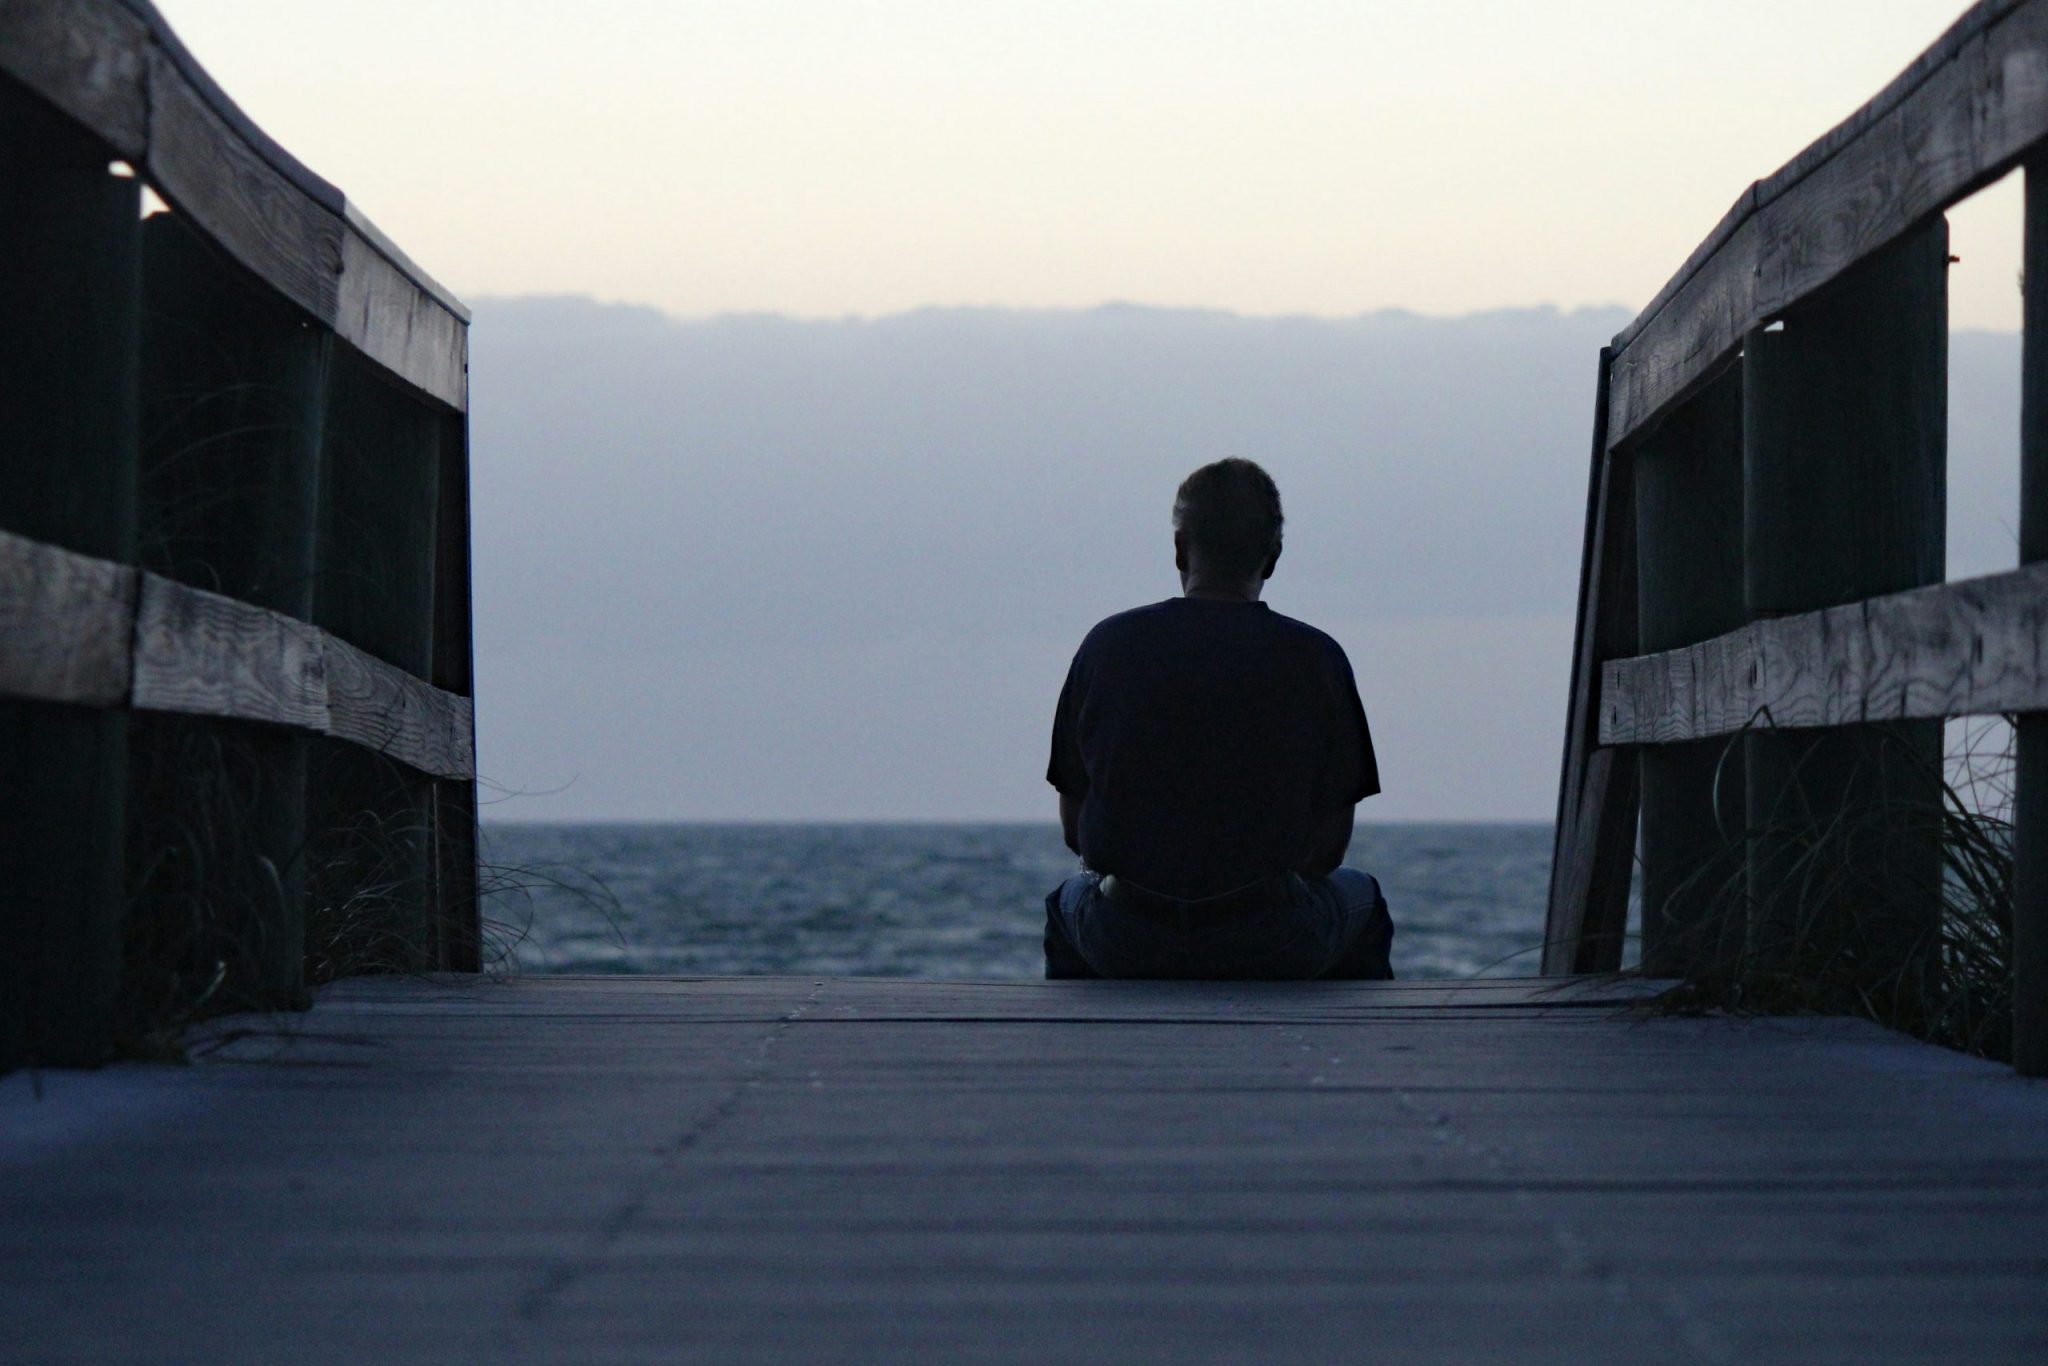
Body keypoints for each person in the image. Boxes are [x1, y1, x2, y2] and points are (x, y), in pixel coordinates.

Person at [1043, 457, 1393, 980]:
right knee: (1362, 898)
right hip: (1270, 939)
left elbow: (1077, 832)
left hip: (1127, 936)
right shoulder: (1317, 659)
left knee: (1066, 901)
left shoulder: (1105, 647)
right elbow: (1328, 851)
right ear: (1272, 557)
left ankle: (1086, 1047)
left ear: (1181, 548)